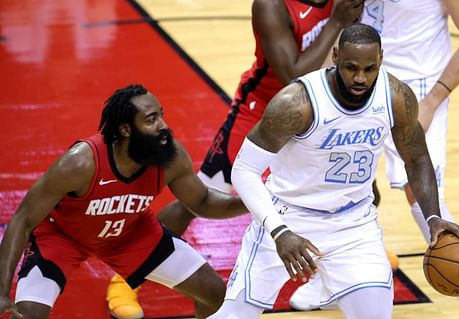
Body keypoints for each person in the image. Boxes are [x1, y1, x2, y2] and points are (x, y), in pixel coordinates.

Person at [106, 1, 367, 318]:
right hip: (259, 114)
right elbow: (292, 75)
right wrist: (337, 22)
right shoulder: (272, 6)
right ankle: (125, 276)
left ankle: (347, 265)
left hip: (317, 113)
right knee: (198, 197)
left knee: (335, 187)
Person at [206, 23, 459, 319]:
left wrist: (433, 217)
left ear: (381, 59)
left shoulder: (396, 98)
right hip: (289, 217)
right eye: (351, 67)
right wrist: (278, 230)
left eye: (369, 68)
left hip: (353, 226)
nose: (360, 78)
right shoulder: (297, 103)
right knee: (234, 316)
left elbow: (417, 159)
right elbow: (245, 170)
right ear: (336, 56)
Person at [289, 1, 459, 317]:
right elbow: (345, 20)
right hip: (358, 79)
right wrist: (321, 84)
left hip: (418, 88)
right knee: (336, 182)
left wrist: (433, 100)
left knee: (421, 195)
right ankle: (327, 278)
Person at [0, 84, 249, 319]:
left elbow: (203, 201)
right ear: (125, 129)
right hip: (63, 237)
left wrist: (250, 201)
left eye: (161, 115)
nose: (163, 125)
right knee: (27, 315)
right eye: (151, 120)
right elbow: (23, 220)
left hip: (129, 233)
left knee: (215, 293)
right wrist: (1, 290)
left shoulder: (169, 156)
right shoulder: (80, 163)